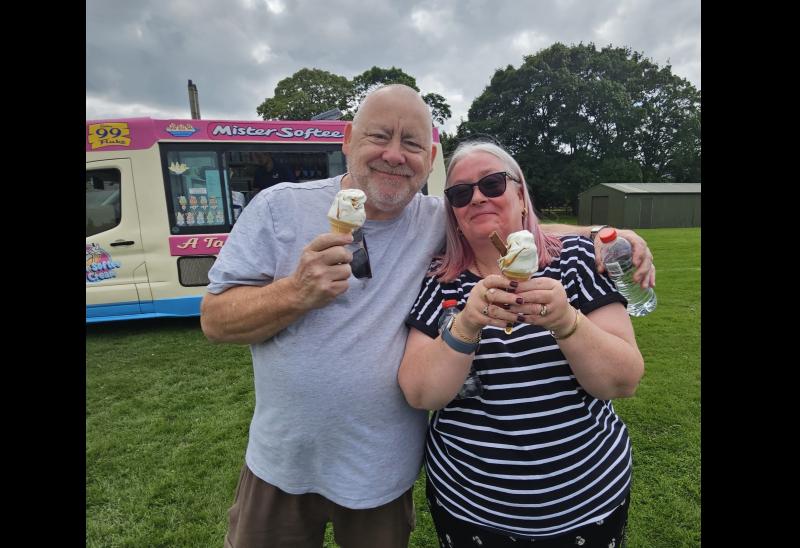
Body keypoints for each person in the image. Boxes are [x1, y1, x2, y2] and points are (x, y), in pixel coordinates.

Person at [200, 84, 654, 548]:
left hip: (379, 473)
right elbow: (215, 320)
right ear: (347, 140)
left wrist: (606, 234)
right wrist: (296, 292)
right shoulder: (280, 207)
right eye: (379, 136)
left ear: (429, 156)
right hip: (284, 462)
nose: (394, 155)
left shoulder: (435, 218)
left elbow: (505, 225)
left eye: (412, 143)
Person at [398, 140, 644, 547]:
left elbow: (622, 381)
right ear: (454, 215)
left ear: (521, 196)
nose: (476, 197)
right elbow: (420, 392)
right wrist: (466, 325)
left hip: (587, 503)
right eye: (460, 193)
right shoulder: (439, 280)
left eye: (492, 184)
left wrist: (567, 321)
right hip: (472, 509)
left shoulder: (578, 260)